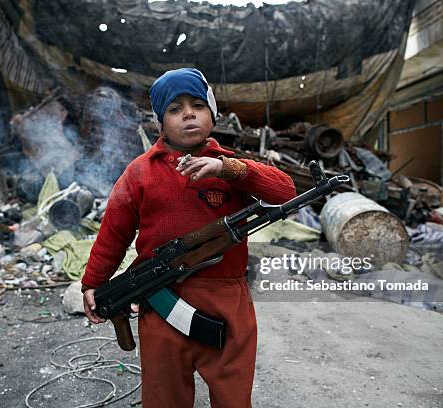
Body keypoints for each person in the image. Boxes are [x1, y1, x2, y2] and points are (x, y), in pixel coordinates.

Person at [81, 67, 296, 407]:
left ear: (212, 113)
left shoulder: (231, 166)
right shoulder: (140, 171)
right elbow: (114, 232)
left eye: (197, 104)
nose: (188, 114)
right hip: (162, 300)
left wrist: (226, 169)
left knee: (232, 398)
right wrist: (92, 282)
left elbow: (285, 191)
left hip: (227, 301)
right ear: (160, 122)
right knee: (164, 398)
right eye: (175, 109)